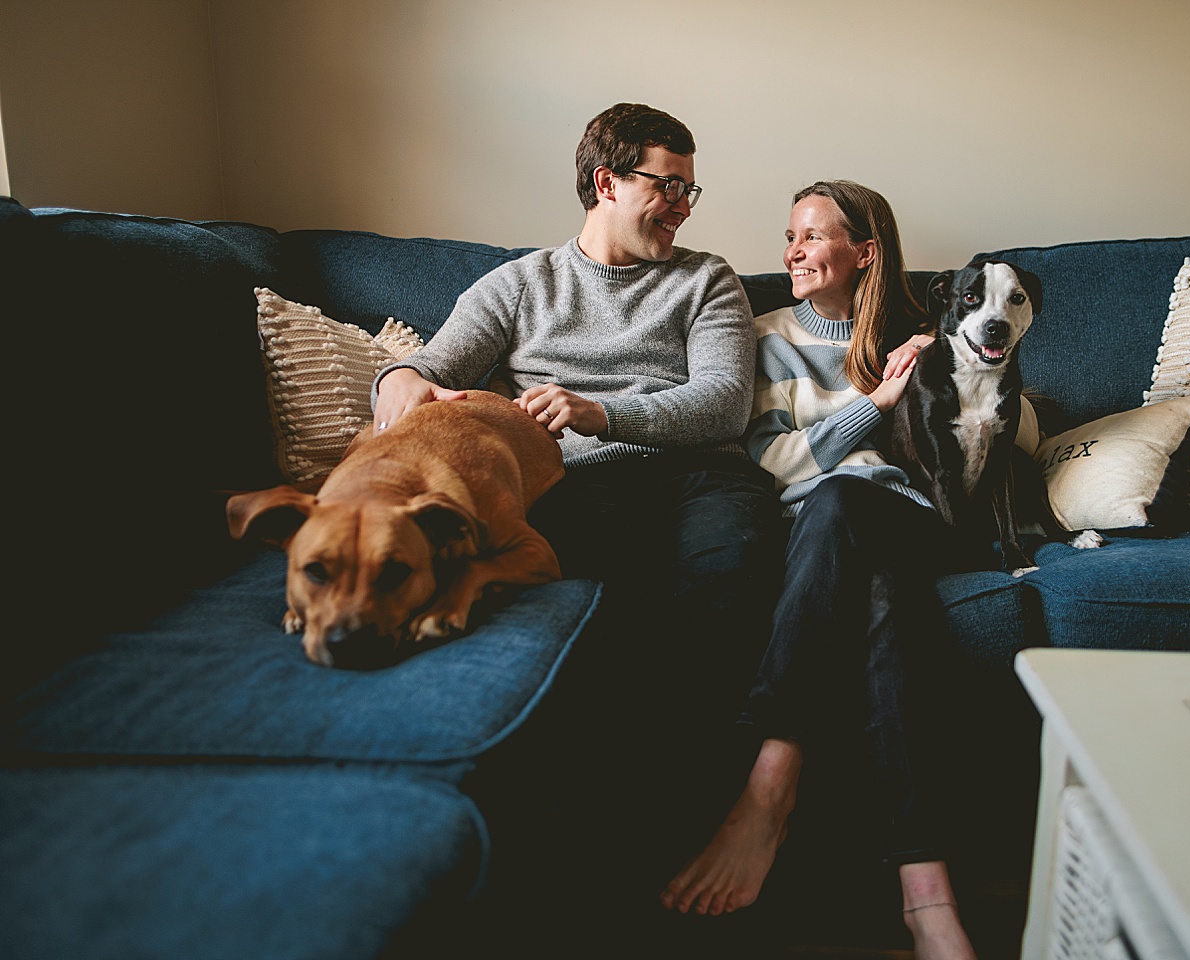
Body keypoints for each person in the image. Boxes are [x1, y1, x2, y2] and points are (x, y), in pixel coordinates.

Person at [371, 102, 781, 904]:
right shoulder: (521, 285)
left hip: (701, 474)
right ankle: (602, 852)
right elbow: (420, 364)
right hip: (575, 483)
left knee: (726, 583)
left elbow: (725, 403)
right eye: (669, 187)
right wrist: (402, 386)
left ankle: (700, 821)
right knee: (590, 605)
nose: (683, 207)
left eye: (691, 193)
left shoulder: (706, 279)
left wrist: (605, 412)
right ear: (606, 181)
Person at [659, 180, 981, 960]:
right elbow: (768, 461)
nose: (791, 253)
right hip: (813, 529)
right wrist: (874, 404)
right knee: (870, 582)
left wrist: (948, 367)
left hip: (906, 520)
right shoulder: (764, 335)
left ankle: (769, 788)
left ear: (863, 253)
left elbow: (1000, 440)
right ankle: (926, 892)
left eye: (810, 237)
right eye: (790, 237)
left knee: (847, 502)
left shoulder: (925, 334)